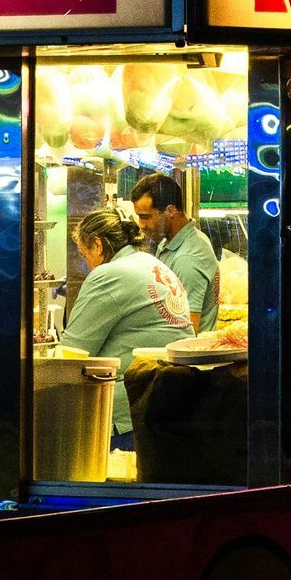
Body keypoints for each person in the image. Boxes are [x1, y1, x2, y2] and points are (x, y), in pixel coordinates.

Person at [61, 205, 191, 446]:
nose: (87, 263)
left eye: (83, 253)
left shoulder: (110, 274)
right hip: (168, 402)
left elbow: (72, 353)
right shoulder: (152, 264)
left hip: (126, 411)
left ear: (98, 244)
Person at [131, 173, 220, 332]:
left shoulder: (188, 258)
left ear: (170, 211)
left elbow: (187, 329)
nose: (141, 225)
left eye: (146, 217)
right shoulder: (171, 241)